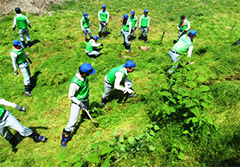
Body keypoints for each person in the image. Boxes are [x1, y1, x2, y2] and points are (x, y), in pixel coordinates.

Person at [60, 63, 96, 147]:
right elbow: (71, 96)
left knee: (87, 107)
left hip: (85, 97)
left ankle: (85, 116)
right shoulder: (75, 83)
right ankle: (64, 139)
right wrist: (80, 103)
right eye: (88, 74)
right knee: (73, 121)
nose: (89, 75)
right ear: (84, 73)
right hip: (77, 101)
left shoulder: (84, 75)